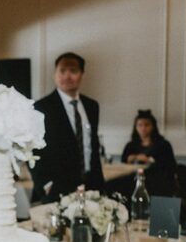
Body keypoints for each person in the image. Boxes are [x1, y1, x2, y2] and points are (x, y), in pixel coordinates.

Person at [30, 51, 104, 202]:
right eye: (62, 71)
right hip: (57, 188)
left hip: (91, 185)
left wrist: (100, 184)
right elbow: (32, 149)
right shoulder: (41, 107)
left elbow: (92, 146)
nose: (67, 76)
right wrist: (46, 185)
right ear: (54, 74)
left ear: (82, 74)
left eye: (73, 71)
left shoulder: (92, 106)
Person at [121, 109, 177, 197]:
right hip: (134, 183)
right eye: (140, 125)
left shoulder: (163, 145)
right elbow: (123, 163)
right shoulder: (130, 145)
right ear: (135, 127)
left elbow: (170, 166)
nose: (143, 128)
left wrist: (149, 160)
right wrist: (134, 158)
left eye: (147, 125)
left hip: (158, 184)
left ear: (153, 126)